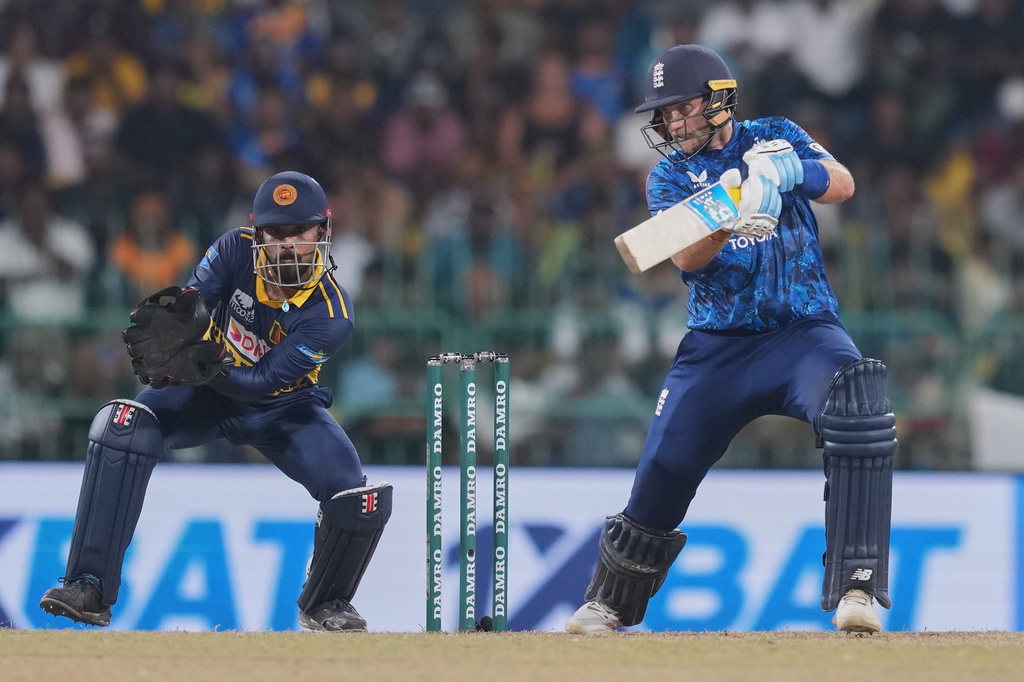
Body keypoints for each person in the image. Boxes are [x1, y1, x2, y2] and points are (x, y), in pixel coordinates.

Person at [565, 45, 896, 635]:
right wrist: (729, 213)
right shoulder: (668, 175)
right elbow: (687, 257)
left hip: (804, 332)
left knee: (858, 403)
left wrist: (794, 170)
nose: (671, 124)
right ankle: (608, 602)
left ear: (719, 101)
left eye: (682, 109)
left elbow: (842, 184)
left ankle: (858, 589)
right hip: (718, 346)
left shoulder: (776, 133)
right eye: (664, 114)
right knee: (663, 466)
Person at [39, 170, 392, 632]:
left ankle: (326, 603)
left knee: (355, 496)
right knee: (121, 424)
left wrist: (206, 360)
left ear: (323, 232)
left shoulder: (332, 313)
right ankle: (88, 587)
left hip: (283, 407)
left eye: (299, 231)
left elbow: (260, 382)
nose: (286, 245)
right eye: (275, 233)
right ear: (256, 231)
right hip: (203, 391)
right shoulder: (232, 248)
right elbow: (193, 303)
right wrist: (177, 332)